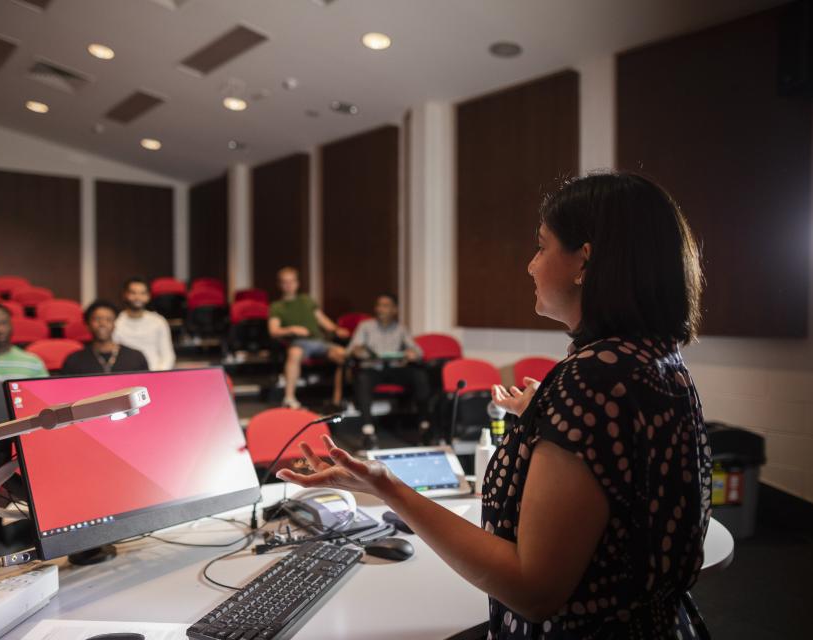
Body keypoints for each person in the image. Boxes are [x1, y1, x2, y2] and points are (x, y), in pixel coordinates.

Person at [279, 173, 712, 639]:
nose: (530, 265)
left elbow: (534, 590)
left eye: (542, 247)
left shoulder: (593, 378)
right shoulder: (655, 360)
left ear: (584, 261)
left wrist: (390, 489)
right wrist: (546, 419)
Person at [348, 293, 430, 450]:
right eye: (378, 305)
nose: (380, 309)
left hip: (395, 368)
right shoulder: (366, 326)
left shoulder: (400, 328)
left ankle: (424, 425)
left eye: (385, 306)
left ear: (394, 309)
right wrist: (359, 351)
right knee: (362, 379)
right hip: (372, 368)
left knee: (420, 376)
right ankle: (368, 430)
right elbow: (353, 348)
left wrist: (412, 353)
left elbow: (418, 350)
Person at [268, 267, 348, 409]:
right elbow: (273, 331)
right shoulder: (277, 306)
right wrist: (292, 329)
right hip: (299, 343)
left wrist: (337, 329)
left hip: (319, 341)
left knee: (344, 354)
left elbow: (322, 320)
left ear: (297, 283)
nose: (289, 285)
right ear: (280, 285)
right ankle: (289, 397)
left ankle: (337, 400)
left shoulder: (306, 300)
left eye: (292, 281)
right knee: (294, 353)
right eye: (285, 282)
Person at [61, 301, 149, 375]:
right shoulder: (74, 361)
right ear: (87, 325)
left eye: (108, 319)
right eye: (97, 319)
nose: (102, 324)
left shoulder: (136, 357)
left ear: (115, 324)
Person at [113, 278, 176, 371]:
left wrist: (157, 375)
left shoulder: (159, 321)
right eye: (133, 293)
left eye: (142, 293)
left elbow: (168, 356)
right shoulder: (116, 322)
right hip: (126, 375)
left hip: (156, 373)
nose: (137, 297)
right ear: (125, 295)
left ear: (148, 296)